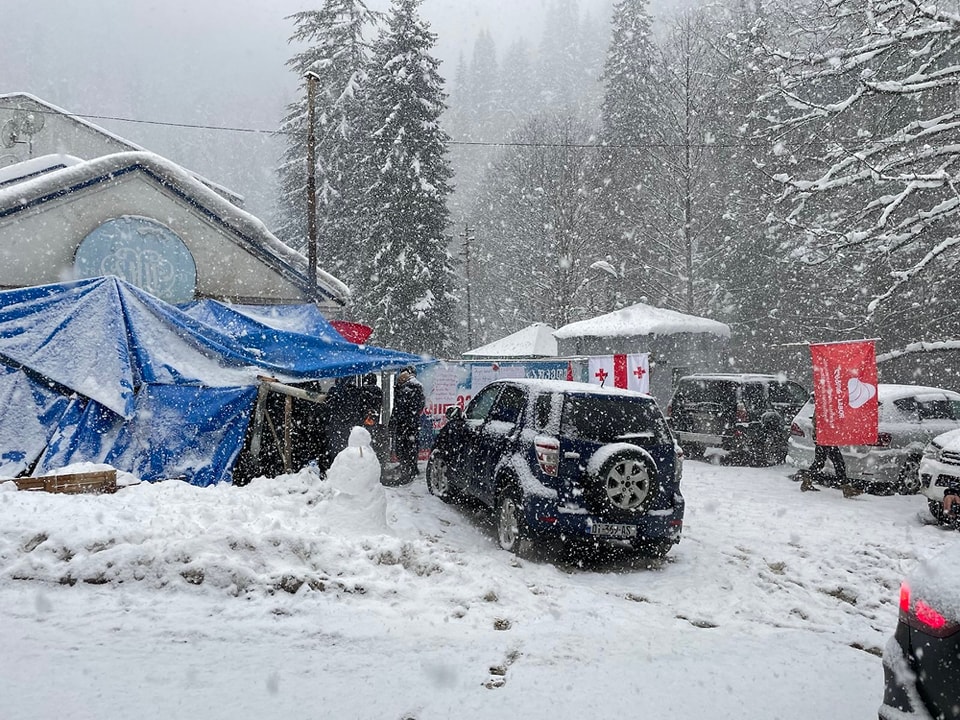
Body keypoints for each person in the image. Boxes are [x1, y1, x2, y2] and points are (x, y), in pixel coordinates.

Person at [389, 365, 425, 485]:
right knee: (411, 447)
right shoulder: (415, 386)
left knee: (403, 448)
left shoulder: (407, 387)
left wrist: (395, 421)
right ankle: (411, 468)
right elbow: (419, 406)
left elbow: (399, 408)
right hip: (411, 424)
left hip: (404, 424)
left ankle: (407, 472)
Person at [801, 407, 848, 492]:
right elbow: (818, 421)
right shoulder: (825, 402)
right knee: (838, 462)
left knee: (820, 461)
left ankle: (807, 480)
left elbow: (817, 421)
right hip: (825, 436)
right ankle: (845, 487)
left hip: (823, 436)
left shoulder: (824, 402)